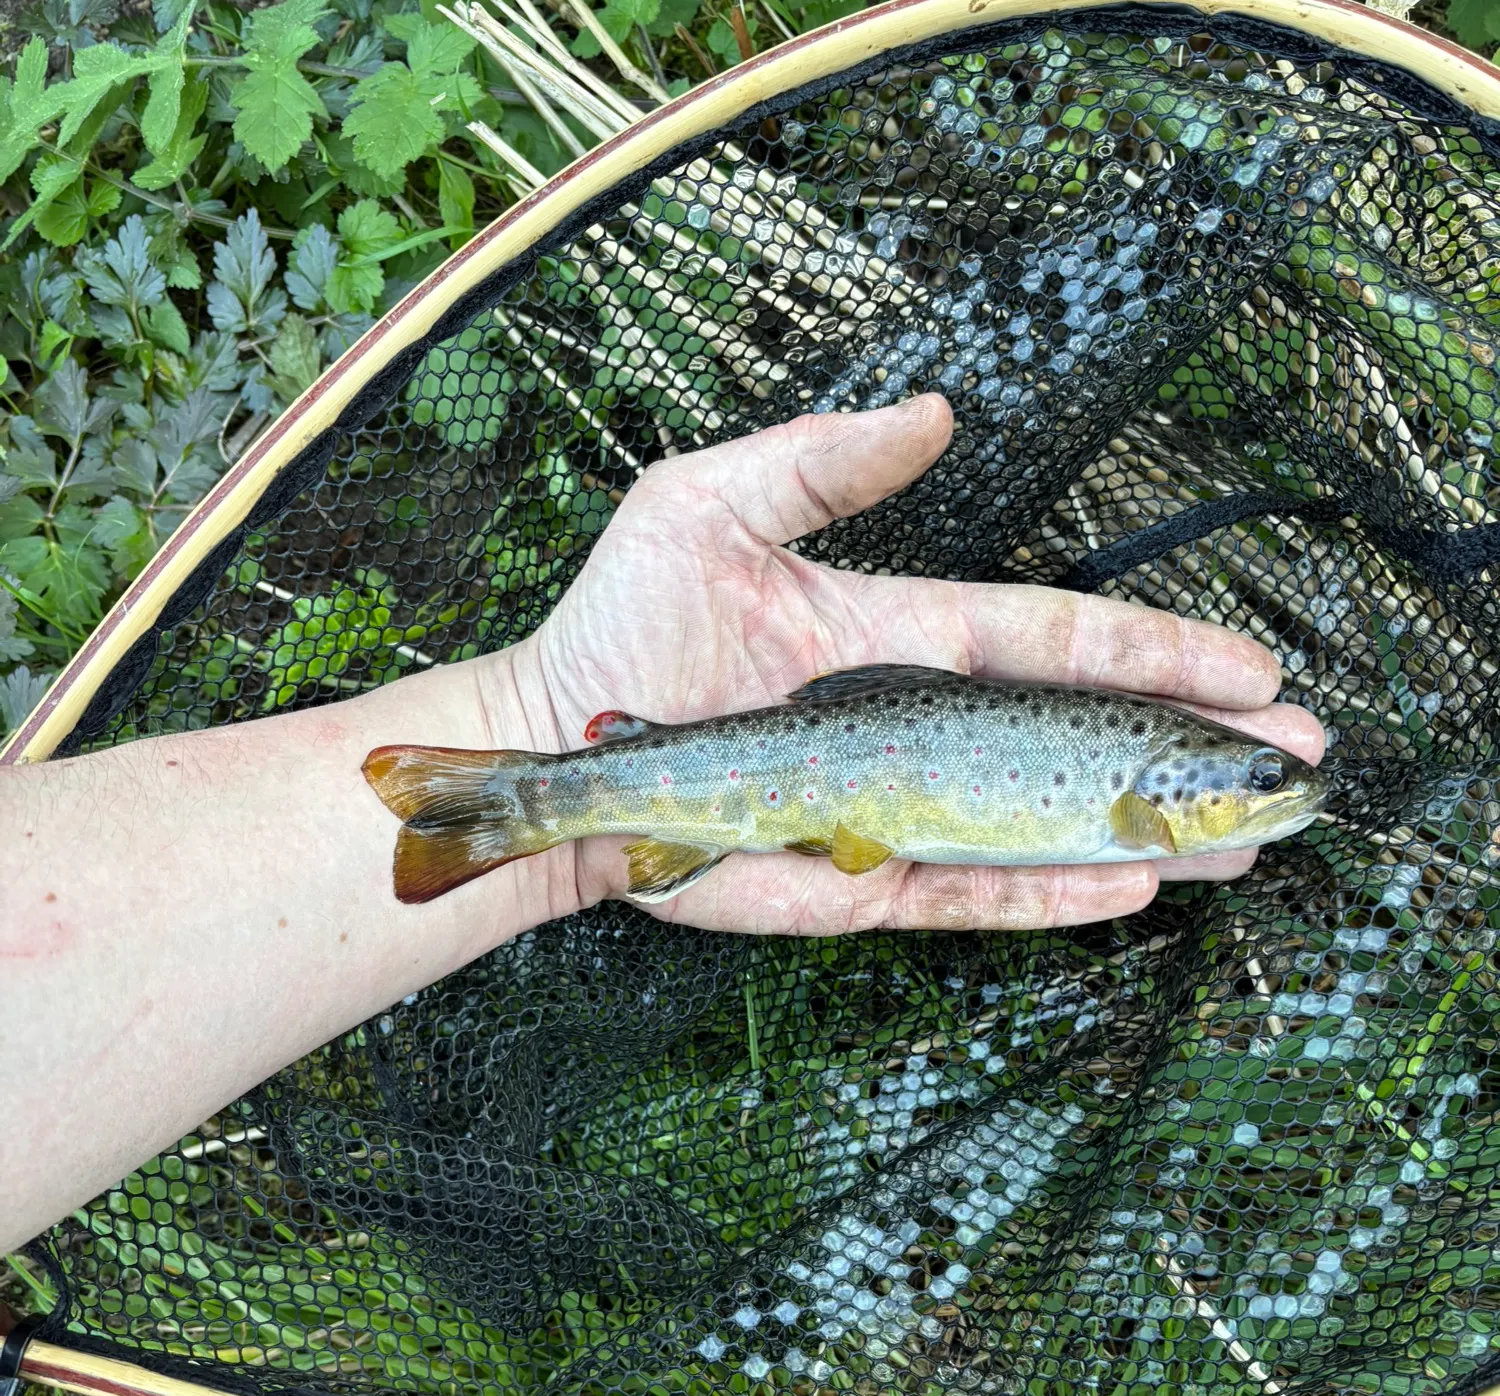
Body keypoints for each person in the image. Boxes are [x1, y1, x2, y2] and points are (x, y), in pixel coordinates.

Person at [0, 392, 1323, 1256]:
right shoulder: (1153, 808)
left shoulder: (1155, 799)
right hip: (785, 770)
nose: (1268, 796)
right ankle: (522, 804)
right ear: (1192, 795)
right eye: (1254, 787)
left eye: (1254, 790)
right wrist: (548, 709)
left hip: (807, 776)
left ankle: (525, 805)